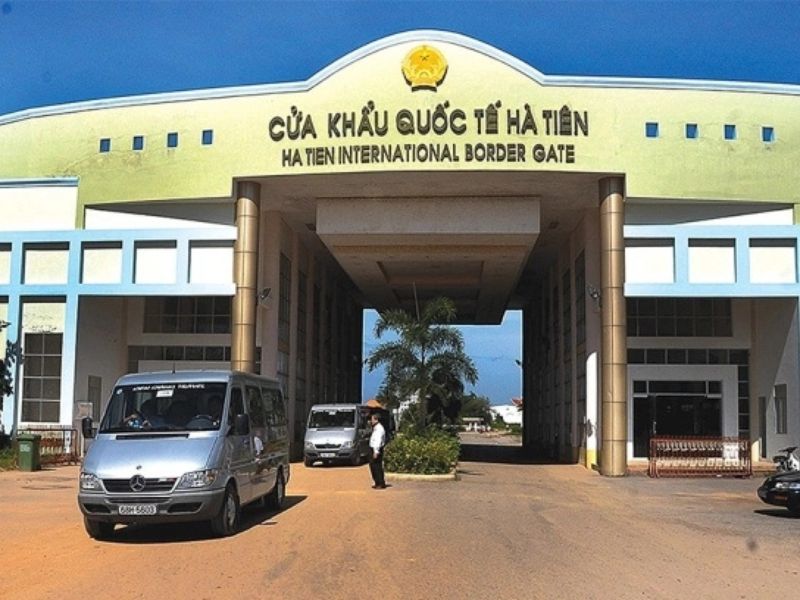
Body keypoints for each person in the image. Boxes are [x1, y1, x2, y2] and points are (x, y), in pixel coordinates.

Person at [368, 412, 386, 489]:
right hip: (375, 449)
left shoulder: (379, 429)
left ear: (376, 420)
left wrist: (376, 451)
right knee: (374, 467)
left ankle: (380, 483)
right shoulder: (376, 428)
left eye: (372, 419)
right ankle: (377, 482)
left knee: (376, 467)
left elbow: (377, 441)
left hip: (376, 449)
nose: (371, 421)